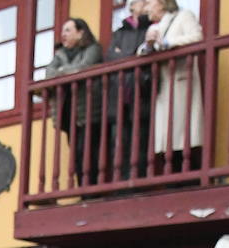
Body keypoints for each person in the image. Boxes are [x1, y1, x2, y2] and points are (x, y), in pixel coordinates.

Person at [142, 0, 204, 171]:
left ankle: (189, 177)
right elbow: (142, 51)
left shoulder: (183, 16)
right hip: (163, 86)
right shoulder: (154, 27)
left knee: (183, 135)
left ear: (161, 3)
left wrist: (168, 44)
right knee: (167, 137)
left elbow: (197, 37)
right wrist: (148, 45)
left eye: (149, 3)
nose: (146, 8)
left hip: (181, 81)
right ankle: (174, 176)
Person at [45, 18, 104, 187]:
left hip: (88, 110)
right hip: (69, 110)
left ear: (80, 32)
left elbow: (83, 68)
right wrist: (65, 71)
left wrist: (62, 72)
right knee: (76, 153)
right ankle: (83, 188)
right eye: (63, 31)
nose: (63, 34)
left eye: (68, 30)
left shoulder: (93, 49)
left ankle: (91, 188)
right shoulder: (61, 54)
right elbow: (49, 73)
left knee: (87, 151)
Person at [107, 0, 152, 180]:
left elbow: (148, 54)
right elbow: (110, 56)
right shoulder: (120, 32)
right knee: (119, 141)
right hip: (119, 91)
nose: (148, 4)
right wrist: (132, 56)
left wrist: (123, 56)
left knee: (140, 139)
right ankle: (121, 182)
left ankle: (136, 180)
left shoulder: (150, 29)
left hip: (141, 90)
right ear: (133, 6)